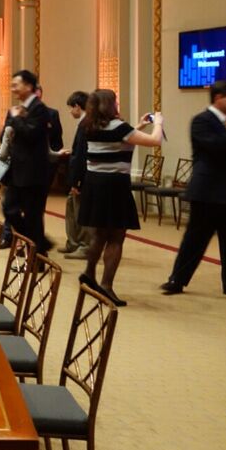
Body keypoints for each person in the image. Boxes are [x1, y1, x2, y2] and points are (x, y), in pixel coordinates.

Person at [77, 89, 164, 306]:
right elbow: (155, 142)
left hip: (94, 183)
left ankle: (89, 273)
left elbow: (120, 138)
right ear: (111, 105)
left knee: (99, 233)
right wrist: (159, 122)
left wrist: (140, 126)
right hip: (114, 185)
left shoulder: (88, 125)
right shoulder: (119, 127)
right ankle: (106, 285)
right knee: (116, 237)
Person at [161, 80, 226, 296]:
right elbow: (215, 147)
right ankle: (177, 280)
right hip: (207, 192)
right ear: (218, 98)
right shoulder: (202, 121)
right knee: (195, 240)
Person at [0, 70, 53, 253]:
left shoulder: (40, 109)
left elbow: (31, 134)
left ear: (29, 86)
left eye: (17, 84)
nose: (13, 88)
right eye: (12, 84)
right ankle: (39, 243)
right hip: (15, 171)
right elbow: (4, 134)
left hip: (33, 172)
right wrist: (12, 121)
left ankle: (38, 256)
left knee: (33, 216)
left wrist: (15, 119)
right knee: (9, 209)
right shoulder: (15, 109)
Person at [59, 90, 92, 259]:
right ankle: (73, 243)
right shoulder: (83, 122)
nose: (70, 111)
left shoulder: (86, 123)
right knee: (72, 210)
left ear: (77, 107)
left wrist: (76, 182)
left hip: (82, 178)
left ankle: (84, 246)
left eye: (70, 108)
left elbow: (82, 156)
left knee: (80, 212)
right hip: (78, 176)